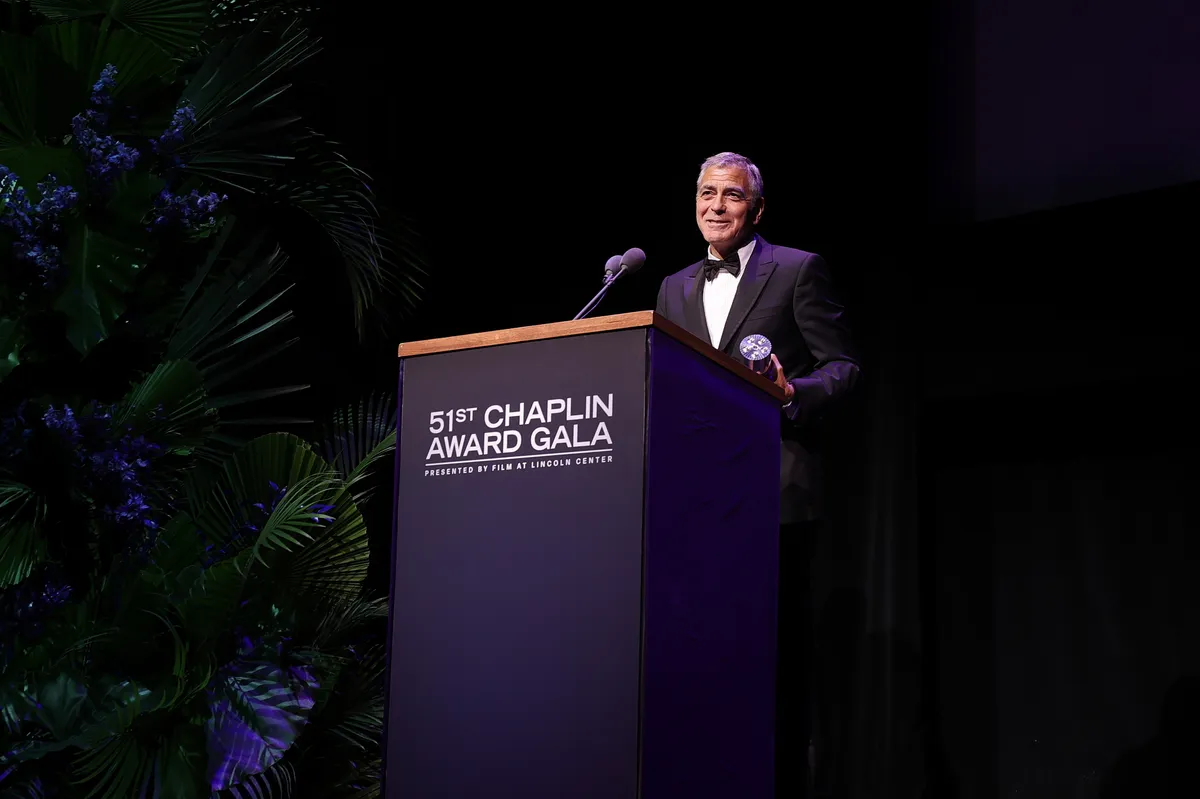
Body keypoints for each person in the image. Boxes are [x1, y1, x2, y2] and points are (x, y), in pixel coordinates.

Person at [654, 151, 861, 797]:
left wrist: (791, 391)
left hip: (775, 493)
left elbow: (844, 366)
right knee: (701, 657)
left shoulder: (797, 270)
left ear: (757, 208)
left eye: (732, 196)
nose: (716, 206)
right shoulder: (671, 287)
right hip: (693, 503)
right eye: (706, 193)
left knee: (773, 659)